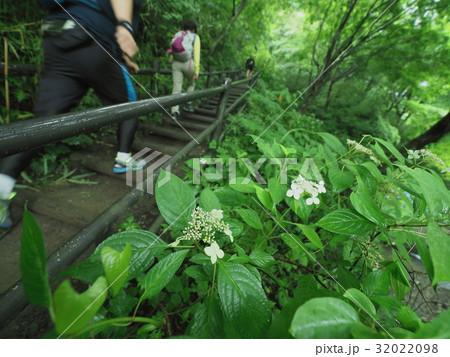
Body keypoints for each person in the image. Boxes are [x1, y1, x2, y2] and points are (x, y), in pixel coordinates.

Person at [0, 0, 145, 229]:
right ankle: (123, 158)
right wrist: (125, 26)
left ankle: (2, 185)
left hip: (58, 37)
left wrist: (123, 58)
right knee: (130, 105)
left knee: (45, 123)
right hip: (93, 39)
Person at [170, 20, 201, 119]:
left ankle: (174, 112)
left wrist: (172, 60)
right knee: (191, 84)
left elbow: (173, 48)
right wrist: (197, 69)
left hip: (176, 63)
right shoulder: (195, 37)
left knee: (176, 88)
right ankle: (187, 103)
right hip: (189, 64)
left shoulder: (178, 34)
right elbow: (196, 54)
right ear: (193, 29)